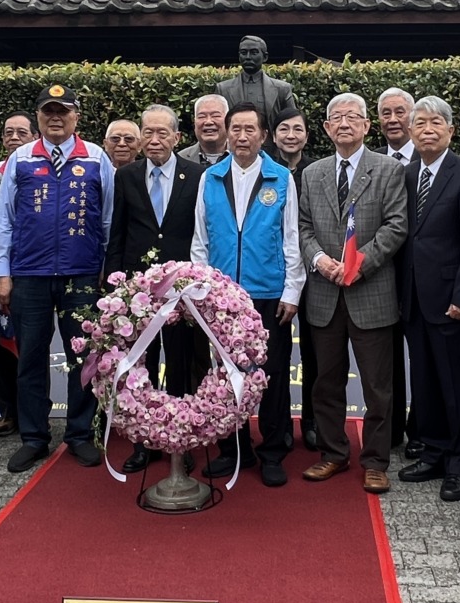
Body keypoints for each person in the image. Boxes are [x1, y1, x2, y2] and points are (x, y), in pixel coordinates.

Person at [0, 85, 114, 473]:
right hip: (29, 275)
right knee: (30, 357)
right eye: (48, 112)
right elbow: (4, 220)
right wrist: (2, 273)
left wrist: (104, 271)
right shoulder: (21, 159)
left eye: (64, 111)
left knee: (84, 357)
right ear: (39, 117)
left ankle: (80, 434)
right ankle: (34, 437)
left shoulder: (96, 158)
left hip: (81, 276)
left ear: (77, 116)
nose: (56, 118)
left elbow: (107, 219)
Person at [298, 93, 409, 494]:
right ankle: (333, 453)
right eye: (336, 118)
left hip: (371, 292)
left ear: (367, 126)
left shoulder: (388, 170)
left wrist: (360, 263)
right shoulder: (311, 174)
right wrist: (320, 261)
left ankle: (376, 460)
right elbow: (303, 228)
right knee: (325, 382)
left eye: (353, 117)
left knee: (378, 386)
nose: (344, 123)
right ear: (326, 129)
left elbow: (396, 226)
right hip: (325, 294)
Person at [191, 102, 304, 487]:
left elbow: (291, 240)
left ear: (263, 135)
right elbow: (200, 242)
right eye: (235, 129)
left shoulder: (281, 178)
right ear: (226, 133)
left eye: (249, 129)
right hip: (223, 298)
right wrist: (203, 290)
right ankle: (233, 449)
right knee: (226, 376)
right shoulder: (210, 178)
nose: (241, 136)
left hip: (269, 293)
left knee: (271, 375)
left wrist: (292, 290)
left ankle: (273, 451)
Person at [395, 97, 460, 503]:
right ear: (410, 132)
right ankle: (432, 451)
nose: (427, 129)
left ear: (451, 131)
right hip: (413, 299)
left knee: (457, 384)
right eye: (420, 123)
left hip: (452, 300)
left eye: (436, 123)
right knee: (426, 382)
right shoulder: (406, 173)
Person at [105, 104, 204, 471]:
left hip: (182, 289)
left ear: (177, 137)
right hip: (138, 290)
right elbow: (118, 230)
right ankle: (144, 440)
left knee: (180, 362)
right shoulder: (127, 175)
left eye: (163, 133)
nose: (155, 139)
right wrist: (115, 283)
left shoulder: (197, 175)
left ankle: (180, 437)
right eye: (148, 132)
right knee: (141, 363)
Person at [270, 107, 321, 450]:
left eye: (297, 129)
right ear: (273, 136)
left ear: (306, 135)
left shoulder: (318, 171)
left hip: (317, 272)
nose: (291, 135)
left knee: (316, 354)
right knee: (279, 353)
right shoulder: (266, 171)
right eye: (284, 129)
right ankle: (281, 423)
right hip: (278, 274)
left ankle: (314, 421)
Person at [377, 86, 419, 456]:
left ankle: (422, 430)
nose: (393, 119)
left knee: (423, 360)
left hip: (423, 279)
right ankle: (390, 432)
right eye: (386, 113)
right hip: (381, 278)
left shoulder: (430, 159)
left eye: (400, 112)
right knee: (387, 361)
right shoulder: (372, 164)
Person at [0, 112, 35, 438]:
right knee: (2, 344)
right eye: (9, 132)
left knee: (33, 346)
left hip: (34, 271)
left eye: (22, 132)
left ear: (34, 136)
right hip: (1, 271)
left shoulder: (43, 170)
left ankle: (35, 409)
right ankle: (7, 411)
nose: (14, 137)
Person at [216, 35, 296, 129]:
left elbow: (292, 122)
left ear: (265, 57)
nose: (248, 57)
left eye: (254, 53)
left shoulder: (282, 89)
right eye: (244, 53)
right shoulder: (223, 89)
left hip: (270, 143)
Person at [178, 94, 230, 166]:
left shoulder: (243, 156)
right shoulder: (180, 159)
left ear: (228, 120)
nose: (208, 122)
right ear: (194, 122)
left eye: (215, 116)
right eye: (202, 116)